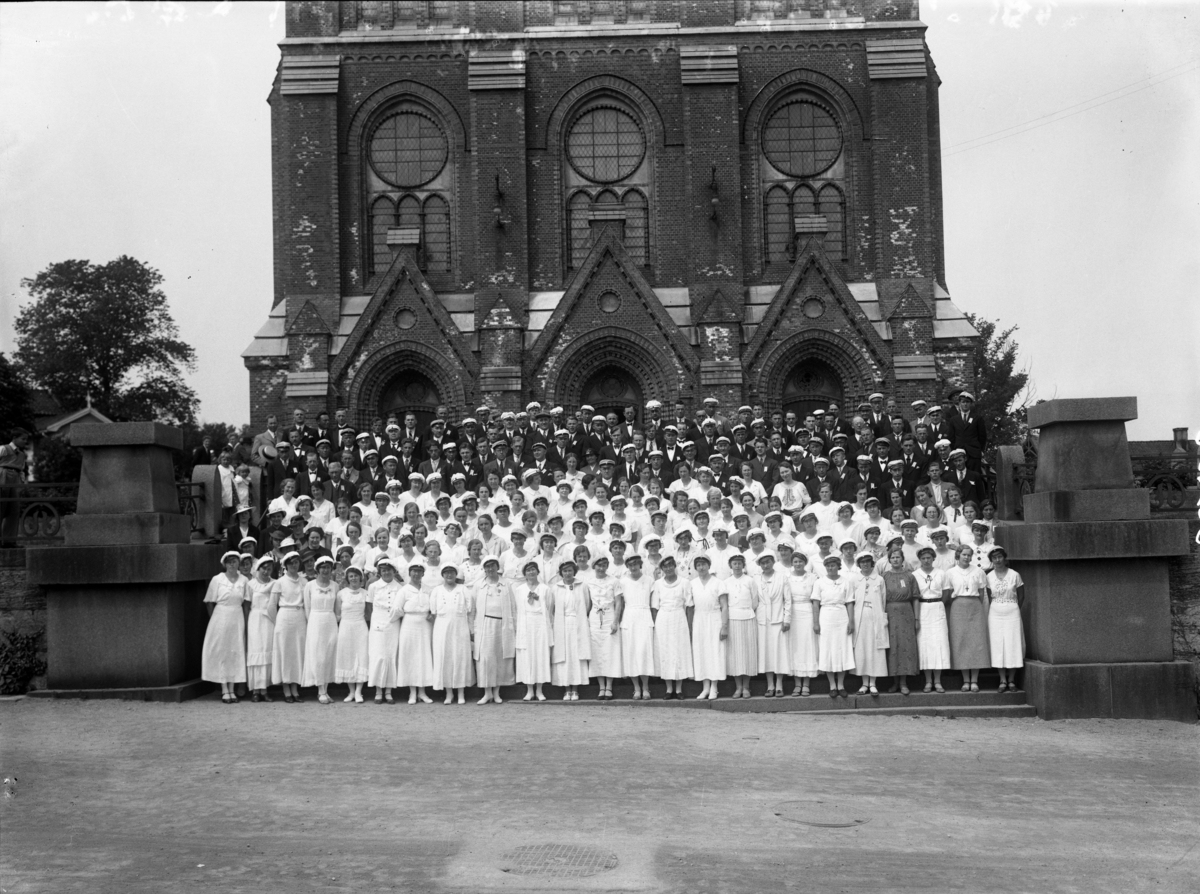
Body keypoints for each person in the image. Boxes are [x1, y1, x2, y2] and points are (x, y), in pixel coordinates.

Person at [201, 551, 251, 703]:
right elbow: (209, 601)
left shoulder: (244, 580)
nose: (232, 564)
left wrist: (246, 622)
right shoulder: (217, 579)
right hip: (220, 617)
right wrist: (215, 619)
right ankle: (224, 688)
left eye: (235, 561)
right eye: (229, 562)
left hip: (237, 617)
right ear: (224, 564)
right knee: (222, 651)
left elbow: (246, 603)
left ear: (238, 563)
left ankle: (232, 687)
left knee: (235, 651)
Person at [946, 544, 991, 692]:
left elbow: (982, 593)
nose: (966, 557)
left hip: (975, 606)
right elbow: (950, 593)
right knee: (961, 642)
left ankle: (974, 680)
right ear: (958, 555)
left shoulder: (978, 571)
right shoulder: (951, 572)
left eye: (969, 555)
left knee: (976, 642)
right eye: (964, 554)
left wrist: (977, 607)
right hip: (958, 607)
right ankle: (966, 680)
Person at [431, 564, 476, 705]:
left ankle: (461, 692)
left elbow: (470, 611)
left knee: (460, 657)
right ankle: (449, 693)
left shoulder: (463, 589)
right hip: (442, 628)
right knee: (445, 657)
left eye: (451, 573)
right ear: (442, 575)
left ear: (455, 574)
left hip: (460, 627)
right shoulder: (437, 590)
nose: (449, 575)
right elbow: (433, 611)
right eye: (446, 573)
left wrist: (471, 629)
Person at [651, 556, 692, 699]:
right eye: (665, 566)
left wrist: (689, 624)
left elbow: (689, 605)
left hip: (679, 618)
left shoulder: (685, 582)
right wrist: (657, 625)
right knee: (665, 652)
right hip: (663, 620)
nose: (668, 568)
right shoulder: (657, 584)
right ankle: (669, 689)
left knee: (679, 652)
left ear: (674, 566)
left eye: (670, 565)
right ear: (662, 569)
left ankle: (679, 689)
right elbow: (655, 607)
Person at [814, 555, 855, 697]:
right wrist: (816, 622)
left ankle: (841, 684)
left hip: (841, 616)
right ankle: (832, 685)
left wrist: (851, 621)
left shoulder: (846, 581)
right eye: (828, 566)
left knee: (842, 649)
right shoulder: (819, 582)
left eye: (833, 565)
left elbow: (849, 602)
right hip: (825, 616)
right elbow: (815, 603)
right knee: (828, 649)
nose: (830, 568)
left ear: (838, 566)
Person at [301, 555, 340, 704]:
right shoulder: (310, 585)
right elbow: (307, 608)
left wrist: (334, 621)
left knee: (329, 654)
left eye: (328, 567)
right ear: (317, 569)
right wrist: (311, 623)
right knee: (318, 655)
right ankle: (320, 690)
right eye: (323, 567)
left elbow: (337, 609)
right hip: (315, 621)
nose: (325, 570)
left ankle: (326, 688)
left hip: (330, 621)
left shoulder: (335, 585)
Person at [985, 546, 1025, 692]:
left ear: (1005, 558)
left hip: (1012, 611)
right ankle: (1002, 680)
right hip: (995, 612)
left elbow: (1021, 596)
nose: (998, 560)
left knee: (1012, 643)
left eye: (1000, 557)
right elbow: (988, 597)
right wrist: (997, 607)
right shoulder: (989, 576)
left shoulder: (1014, 575)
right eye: (994, 558)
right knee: (998, 644)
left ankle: (1012, 679)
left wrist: (1013, 608)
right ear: (991, 560)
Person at [270, 550, 308, 703]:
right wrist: (278, 623)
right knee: (285, 652)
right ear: (285, 565)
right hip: (284, 619)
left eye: (296, 562)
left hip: (299, 618)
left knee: (297, 652)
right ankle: (286, 689)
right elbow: (272, 607)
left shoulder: (304, 582)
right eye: (291, 563)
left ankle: (295, 688)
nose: (294, 565)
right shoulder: (279, 582)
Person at [551, 560, 592, 700]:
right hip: (562, 624)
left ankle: (575, 689)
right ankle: (566, 689)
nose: (567, 573)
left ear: (574, 571)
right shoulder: (555, 587)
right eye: (564, 571)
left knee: (576, 655)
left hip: (578, 623)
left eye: (570, 570)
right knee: (564, 655)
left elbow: (587, 605)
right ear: (561, 572)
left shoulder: (582, 586)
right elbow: (552, 608)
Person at [881, 548, 920, 694]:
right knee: (892, 646)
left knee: (905, 646)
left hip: (906, 613)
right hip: (890, 613)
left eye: (898, 557)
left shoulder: (910, 576)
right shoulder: (884, 576)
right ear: (889, 560)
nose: (895, 560)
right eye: (892, 557)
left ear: (902, 559)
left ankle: (904, 682)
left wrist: (916, 618)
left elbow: (915, 597)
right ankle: (894, 682)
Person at [914, 546, 951, 693]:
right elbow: (914, 595)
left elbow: (946, 594)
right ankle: (928, 681)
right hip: (923, 610)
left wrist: (937, 604)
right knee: (925, 645)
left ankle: (938, 681)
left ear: (933, 558)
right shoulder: (915, 574)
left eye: (929, 558)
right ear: (920, 560)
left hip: (937, 608)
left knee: (939, 644)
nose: (926, 560)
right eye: (923, 558)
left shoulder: (941, 573)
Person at [396, 563, 436, 704]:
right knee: (411, 657)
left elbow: (434, 607)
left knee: (424, 657)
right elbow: (397, 609)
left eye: (419, 571)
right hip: (409, 624)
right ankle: (412, 693)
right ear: (409, 573)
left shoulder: (428, 590)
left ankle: (422, 692)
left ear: (423, 574)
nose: (416, 574)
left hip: (425, 625)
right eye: (414, 571)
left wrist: (431, 613)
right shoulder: (404, 590)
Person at [619, 554, 657, 699]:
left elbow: (653, 604)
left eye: (636, 564)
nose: (633, 567)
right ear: (627, 566)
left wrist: (653, 621)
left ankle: (646, 688)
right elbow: (620, 605)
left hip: (644, 616)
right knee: (632, 653)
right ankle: (636, 688)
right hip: (629, 618)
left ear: (640, 565)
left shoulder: (649, 580)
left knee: (644, 652)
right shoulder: (622, 582)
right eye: (630, 564)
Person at [515, 560, 553, 701]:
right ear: (524, 574)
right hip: (526, 626)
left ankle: (539, 690)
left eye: (533, 569)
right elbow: (517, 609)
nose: (531, 572)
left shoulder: (545, 589)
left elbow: (549, 609)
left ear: (538, 572)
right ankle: (529, 691)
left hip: (540, 626)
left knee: (540, 656)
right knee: (527, 657)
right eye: (528, 570)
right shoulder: (520, 590)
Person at [366, 557, 404, 703]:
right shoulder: (373, 586)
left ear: (394, 571)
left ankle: (388, 691)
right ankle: (378, 691)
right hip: (377, 623)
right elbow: (369, 607)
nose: (386, 572)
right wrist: (374, 623)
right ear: (379, 572)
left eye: (389, 570)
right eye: (383, 570)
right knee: (378, 655)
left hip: (393, 624)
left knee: (390, 655)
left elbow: (401, 607)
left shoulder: (400, 588)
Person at [851, 553, 888, 695]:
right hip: (859, 617)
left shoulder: (879, 579)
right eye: (862, 562)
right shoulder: (854, 580)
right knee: (862, 650)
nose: (865, 564)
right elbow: (851, 600)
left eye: (867, 562)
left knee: (874, 650)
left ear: (872, 563)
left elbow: (883, 600)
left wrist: (881, 617)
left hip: (875, 617)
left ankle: (873, 683)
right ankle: (864, 683)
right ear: (858, 564)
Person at [587, 555, 623, 700]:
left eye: (604, 565)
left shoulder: (614, 581)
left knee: (610, 651)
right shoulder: (588, 582)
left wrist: (615, 621)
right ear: (594, 566)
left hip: (609, 616)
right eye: (598, 565)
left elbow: (619, 603)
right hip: (595, 618)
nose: (601, 568)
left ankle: (609, 686)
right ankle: (601, 686)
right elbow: (588, 603)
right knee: (597, 651)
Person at [724, 553, 759, 698]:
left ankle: (746, 687)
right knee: (735, 654)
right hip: (733, 619)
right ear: (730, 566)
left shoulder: (750, 581)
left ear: (743, 565)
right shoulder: (726, 582)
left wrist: (747, 611)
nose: (737, 566)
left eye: (739, 563)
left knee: (748, 653)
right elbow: (724, 603)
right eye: (734, 563)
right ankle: (738, 687)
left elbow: (755, 601)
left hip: (748, 618)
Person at [755, 553, 790, 697]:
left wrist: (786, 619)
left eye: (768, 562)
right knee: (766, 653)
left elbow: (788, 600)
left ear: (773, 562)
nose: (766, 565)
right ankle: (770, 684)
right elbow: (753, 599)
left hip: (778, 619)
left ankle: (780, 684)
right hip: (762, 620)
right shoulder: (755, 579)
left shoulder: (782, 577)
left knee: (779, 652)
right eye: (762, 563)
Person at [334, 565, 370, 703]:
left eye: (356, 575)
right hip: (345, 627)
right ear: (347, 578)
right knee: (347, 657)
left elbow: (368, 613)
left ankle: (359, 692)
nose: (354, 578)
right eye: (351, 576)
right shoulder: (341, 593)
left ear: (360, 577)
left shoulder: (366, 593)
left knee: (361, 656)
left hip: (360, 627)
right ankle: (351, 692)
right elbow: (337, 613)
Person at [785, 552, 819, 696]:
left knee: (807, 646)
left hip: (808, 612)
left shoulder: (812, 577)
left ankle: (806, 683)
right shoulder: (786, 577)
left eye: (800, 561)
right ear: (792, 563)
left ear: (805, 562)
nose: (798, 564)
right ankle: (797, 683)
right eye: (795, 561)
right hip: (793, 613)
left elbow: (816, 599)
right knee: (795, 647)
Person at [245, 556, 277, 702]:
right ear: (258, 568)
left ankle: (264, 690)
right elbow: (246, 605)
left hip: (269, 621)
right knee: (256, 652)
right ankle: (255, 691)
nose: (266, 571)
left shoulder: (275, 584)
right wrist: (246, 624)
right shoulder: (251, 584)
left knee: (266, 653)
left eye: (269, 568)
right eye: (263, 568)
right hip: (255, 620)